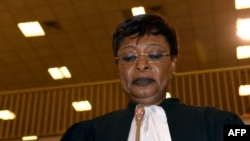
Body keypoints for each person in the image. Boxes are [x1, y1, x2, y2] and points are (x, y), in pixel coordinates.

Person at [60, 14, 244, 141]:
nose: (141, 65)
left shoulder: (219, 124)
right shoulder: (87, 134)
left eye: (155, 55)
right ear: (118, 69)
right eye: (129, 57)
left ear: (173, 64)